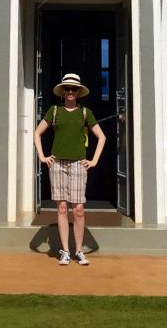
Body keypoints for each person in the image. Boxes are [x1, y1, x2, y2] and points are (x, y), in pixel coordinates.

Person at [34, 72, 106, 265]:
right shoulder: (55, 111)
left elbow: (102, 137)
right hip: (57, 164)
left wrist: (94, 160)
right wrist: (42, 157)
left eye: (74, 89)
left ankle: (79, 251)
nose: (70, 92)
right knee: (62, 207)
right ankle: (65, 251)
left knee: (79, 209)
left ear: (79, 92)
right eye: (67, 89)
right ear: (63, 92)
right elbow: (37, 133)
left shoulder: (85, 113)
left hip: (78, 164)